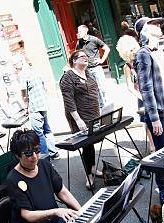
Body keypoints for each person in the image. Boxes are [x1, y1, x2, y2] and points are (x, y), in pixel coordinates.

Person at [134, 17, 164, 203]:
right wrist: (154, 118)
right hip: (160, 115)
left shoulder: (163, 50)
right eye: (152, 24)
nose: (157, 26)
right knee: (161, 157)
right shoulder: (143, 54)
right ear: (144, 31)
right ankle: (163, 189)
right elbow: (145, 88)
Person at [59, 50, 101, 190]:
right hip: (81, 117)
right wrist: (78, 120)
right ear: (74, 60)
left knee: (92, 143)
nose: (86, 58)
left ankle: (93, 168)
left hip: (93, 114)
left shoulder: (87, 73)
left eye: (86, 56)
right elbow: (68, 100)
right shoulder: (68, 77)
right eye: (82, 56)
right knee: (86, 145)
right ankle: (89, 175)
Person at [115, 35, 155, 151]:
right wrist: (141, 97)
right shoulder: (127, 66)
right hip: (141, 95)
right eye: (129, 51)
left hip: (153, 91)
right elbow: (130, 86)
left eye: (133, 49)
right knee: (147, 120)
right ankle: (152, 144)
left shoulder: (145, 58)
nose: (132, 53)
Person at [18, 59, 59, 158]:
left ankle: (45, 156)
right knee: (47, 130)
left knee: (38, 134)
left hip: (35, 107)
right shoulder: (36, 71)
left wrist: (26, 107)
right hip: (43, 105)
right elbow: (45, 87)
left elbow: (24, 94)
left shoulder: (24, 74)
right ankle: (54, 153)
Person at [76, 25, 110, 109]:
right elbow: (76, 54)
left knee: (102, 87)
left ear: (86, 31)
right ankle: (100, 106)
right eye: (78, 32)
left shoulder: (94, 39)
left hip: (96, 67)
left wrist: (102, 60)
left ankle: (107, 105)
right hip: (87, 69)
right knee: (94, 88)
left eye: (80, 31)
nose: (78, 33)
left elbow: (107, 49)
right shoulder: (79, 43)